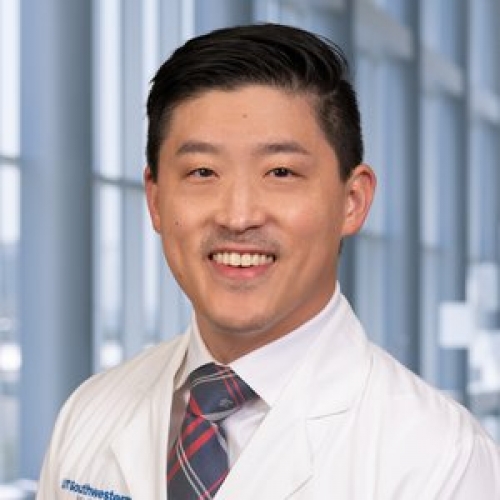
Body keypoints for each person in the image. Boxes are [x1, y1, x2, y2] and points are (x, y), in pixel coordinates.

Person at [37, 23, 499, 500]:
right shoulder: (89, 411)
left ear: (352, 201)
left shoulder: (444, 461)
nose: (238, 216)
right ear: (155, 199)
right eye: (202, 172)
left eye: (280, 172)